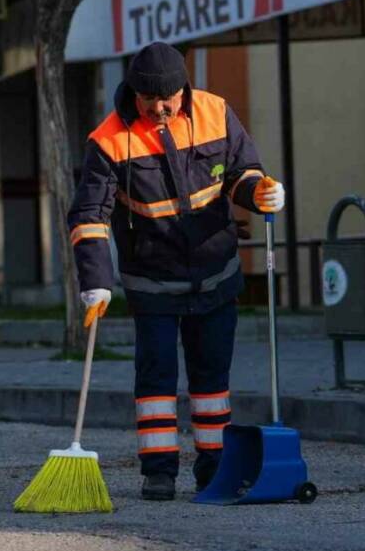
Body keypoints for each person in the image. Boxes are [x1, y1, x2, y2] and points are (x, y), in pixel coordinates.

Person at [68, 41, 285, 500]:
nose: (161, 108)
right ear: (134, 94)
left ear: (183, 90)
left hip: (216, 269)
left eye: (168, 99)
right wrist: (95, 282)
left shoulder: (215, 112)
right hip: (152, 278)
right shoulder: (107, 141)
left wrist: (260, 191)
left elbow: (242, 171)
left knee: (211, 382)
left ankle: (215, 467)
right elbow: (89, 216)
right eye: (150, 101)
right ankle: (159, 472)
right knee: (157, 380)